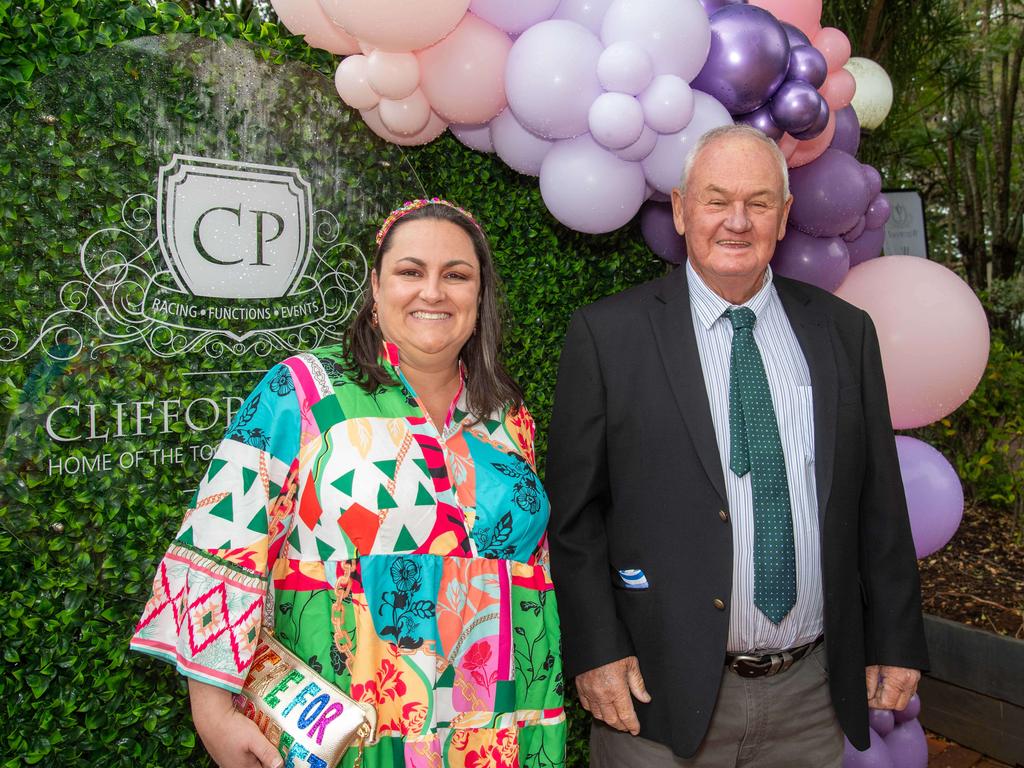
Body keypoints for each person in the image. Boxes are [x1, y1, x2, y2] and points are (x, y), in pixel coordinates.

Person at [132, 198, 565, 768]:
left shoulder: (509, 416)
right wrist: (211, 712)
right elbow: (221, 542)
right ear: (376, 286)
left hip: (505, 723)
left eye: (456, 275)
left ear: (479, 296)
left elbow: (537, 568)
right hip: (350, 726)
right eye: (411, 271)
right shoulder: (305, 392)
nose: (432, 292)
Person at [545, 125, 928, 767]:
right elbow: (575, 517)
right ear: (681, 207)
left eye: (757, 202)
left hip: (809, 699)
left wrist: (896, 638)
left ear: (784, 216)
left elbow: (878, 503)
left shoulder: (843, 333)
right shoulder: (608, 336)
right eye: (716, 199)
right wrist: (596, 650)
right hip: (654, 697)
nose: (736, 221)